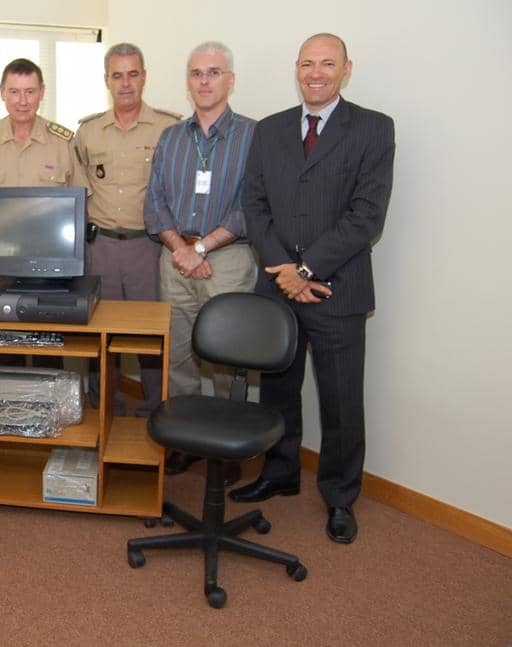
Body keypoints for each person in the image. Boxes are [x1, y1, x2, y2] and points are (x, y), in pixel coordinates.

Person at [232, 33, 395, 545]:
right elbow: (254, 205)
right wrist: (283, 268)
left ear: (347, 69)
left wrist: (306, 271)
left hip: (338, 289)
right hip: (277, 285)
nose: (316, 73)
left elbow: (367, 215)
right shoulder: (271, 129)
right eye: (307, 63)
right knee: (278, 388)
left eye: (328, 63)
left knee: (342, 401)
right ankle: (280, 472)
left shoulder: (373, 129)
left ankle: (341, 497)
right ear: (295, 69)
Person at [143, 41, 257, 486]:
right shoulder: (171, 136)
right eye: (196, 73)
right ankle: (187, 443)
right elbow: (154, 203)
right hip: (174, 257)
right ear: (187, 81)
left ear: (231, 79)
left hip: (226, 259)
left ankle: (228, 449)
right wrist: (181, 250)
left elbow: (253, 205)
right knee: (179, 357)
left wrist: (203, 249)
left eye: (213, 72)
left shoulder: (253, 136)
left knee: (229, 361)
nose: (204, 81)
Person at [72, 42, 181, 418]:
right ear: (107, 80)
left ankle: (156, 408)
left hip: (147, 247)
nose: (126, 83)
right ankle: (105, 406)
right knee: (100, 332)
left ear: (144, 77)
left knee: (149, 335)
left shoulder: (169, 128)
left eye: (133, 74)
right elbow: (78, 187)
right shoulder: (87, 132)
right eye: (117, 75)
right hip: (99, 246)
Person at [0, 58, 76, 369]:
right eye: (14, 92)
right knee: (5, 345)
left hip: (52, 261)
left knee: (49, 347)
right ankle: (8, 414)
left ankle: (49, 414)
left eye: (30, 92)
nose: (22, 101)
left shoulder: (63, 142)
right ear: (2, 93)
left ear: (42, 93)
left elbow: (79, 206)